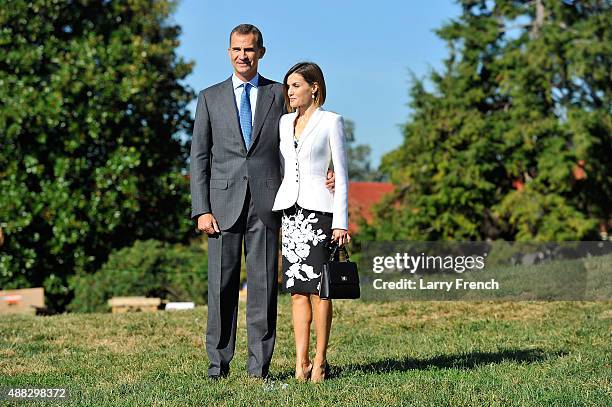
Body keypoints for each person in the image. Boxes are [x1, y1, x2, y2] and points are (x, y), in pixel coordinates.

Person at [190, 25, 334, 380]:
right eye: (237, 49)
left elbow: (297, 144)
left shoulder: (277, 94)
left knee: (263, 291)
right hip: (221, 208)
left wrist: (323, 173)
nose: (243, 55)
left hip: (269, 206)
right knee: (221, 288)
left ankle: (260, 370)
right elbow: (199, 158)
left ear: (261, 52)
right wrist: (201, 208)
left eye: (250, 49)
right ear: (228, 52)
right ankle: (217, 367)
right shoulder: (209, 97)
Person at [272, 62, 350, 383]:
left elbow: (342, 175)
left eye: (295, 86)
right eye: (287, 86)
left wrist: (341, 221)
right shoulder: (283, 123)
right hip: (291, 213)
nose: (289, 92)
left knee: (321, 290)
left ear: (313, 87)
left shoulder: (332, 122)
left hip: (320, 213)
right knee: (297, 292)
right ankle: (299, 362)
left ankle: (320, 361)